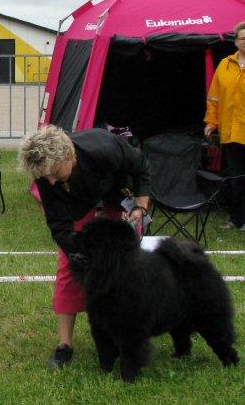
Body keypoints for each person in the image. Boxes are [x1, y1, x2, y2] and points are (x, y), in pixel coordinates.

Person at [19, 125, 151, 369]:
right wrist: (74, 251)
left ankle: (127, 333)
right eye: (44, 176)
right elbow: (59, 226)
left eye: (54, 173)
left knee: (125, 266)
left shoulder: (105, 148)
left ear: (68, 156)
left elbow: (140, 165)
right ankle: (64, 345)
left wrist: (141, 205)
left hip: (115, 192)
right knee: (68, 267)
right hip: (77, 205)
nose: (50, 180)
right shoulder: (47, 175)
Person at [204, 21, 245, 232]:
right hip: (230, 131)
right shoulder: (224, 64)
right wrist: (212, 122)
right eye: (242, 38)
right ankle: (235, 217)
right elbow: (214, 97)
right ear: (236, 40)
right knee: (233, 177)